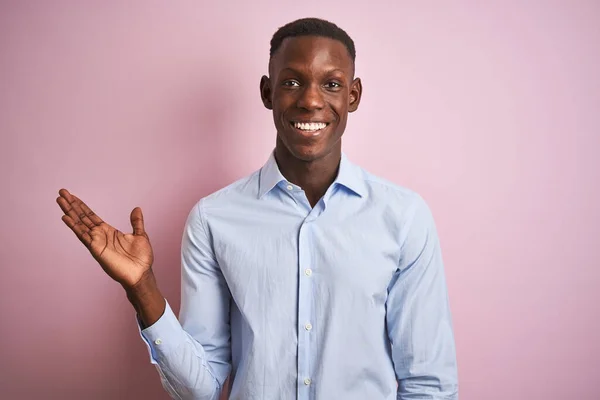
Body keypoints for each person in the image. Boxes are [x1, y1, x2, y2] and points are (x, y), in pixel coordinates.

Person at [56, 17, 458, 400]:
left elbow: (428, 384)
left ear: (352, 96)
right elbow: (202, 387)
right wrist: (142, 288)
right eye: (292, 82)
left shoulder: (404, 217)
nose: (311, 100)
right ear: (268, 92)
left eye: (331, 84)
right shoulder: (212, 220)